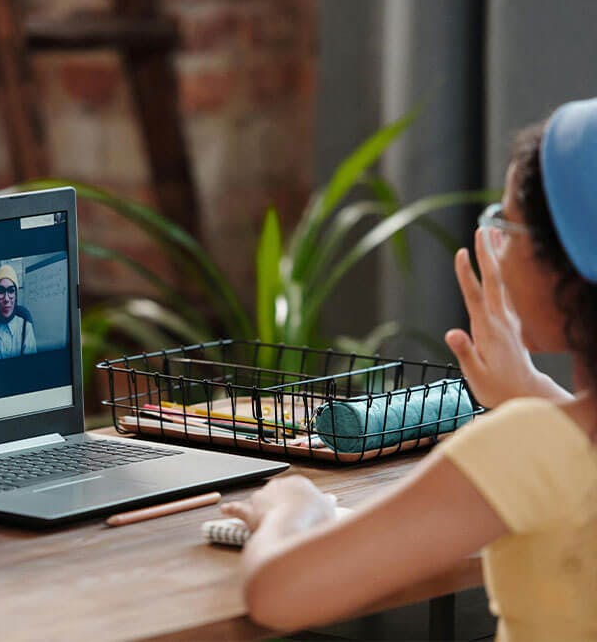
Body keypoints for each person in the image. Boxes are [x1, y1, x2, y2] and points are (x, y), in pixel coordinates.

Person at [221, 98, 597, 641]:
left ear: (559, 265)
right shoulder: (547, 443)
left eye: (505, 225)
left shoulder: (529, 447)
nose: (491, 242)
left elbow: (278, 593)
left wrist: (290, 503)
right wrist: (533, 392)